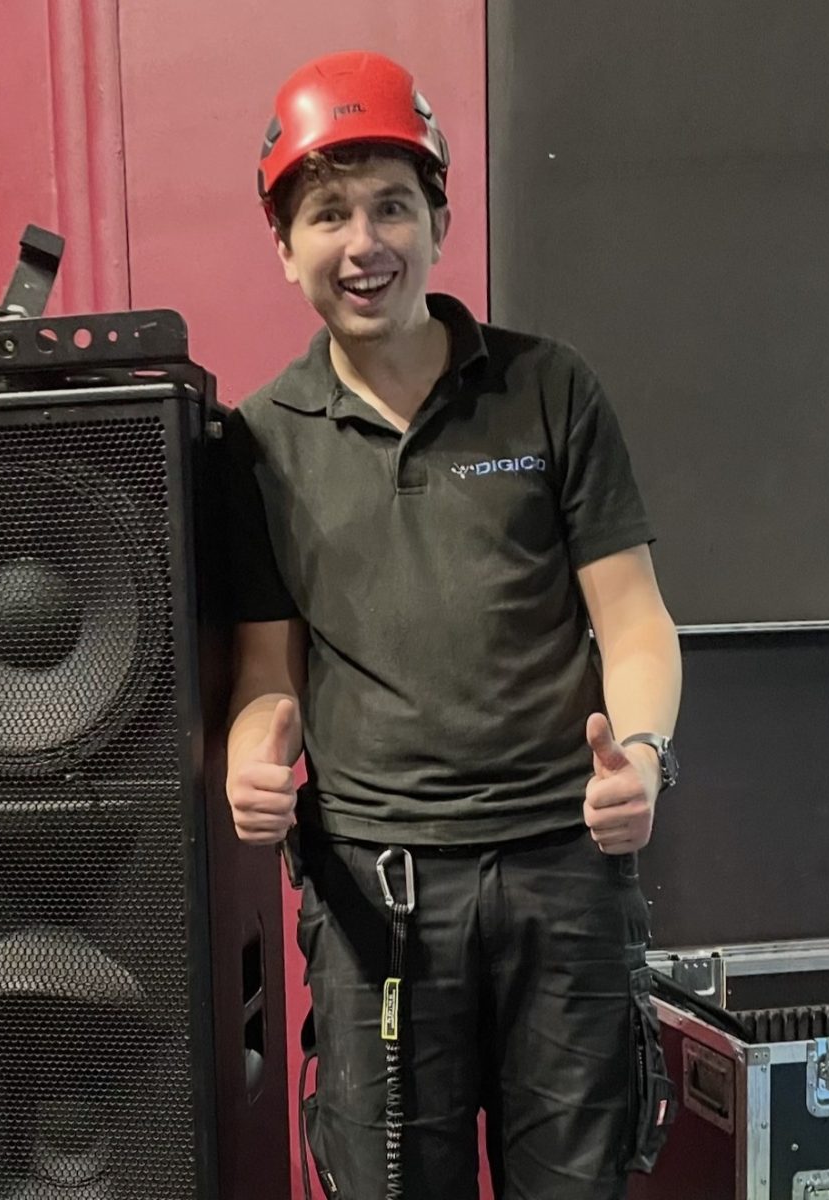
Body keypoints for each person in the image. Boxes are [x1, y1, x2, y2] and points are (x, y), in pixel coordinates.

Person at [223, 50, 683, 1200]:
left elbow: (633, 623)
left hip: (564, 881)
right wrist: (249, 753)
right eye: (326, 214)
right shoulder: (259, 439)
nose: (362, 241)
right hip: (375, 896)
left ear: (438, 218)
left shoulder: (549, 390)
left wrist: (644, 756)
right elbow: (267, 674)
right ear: (286, 249)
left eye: (391, 205)